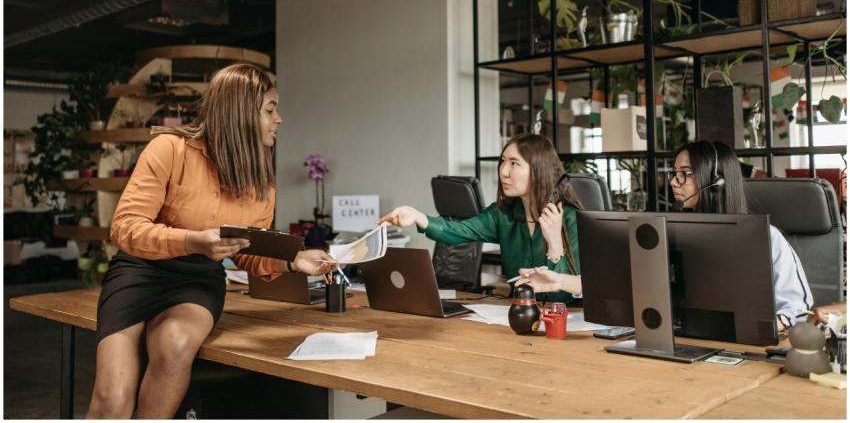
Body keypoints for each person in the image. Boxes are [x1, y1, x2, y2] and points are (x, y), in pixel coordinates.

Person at [86, 64, 338, 418]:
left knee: (174, 346)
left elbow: (249, 255)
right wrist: (191, 240)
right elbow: (125, 228)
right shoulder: (168, 149)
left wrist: (293, 260)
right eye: (269, 110)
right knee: (113, 398)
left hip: (197, 280)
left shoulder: (261, 185)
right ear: (239, 112)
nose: (278, 119)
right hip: (139, 270)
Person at [517, 140, 814, 330]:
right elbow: (627, 284)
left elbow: (798, 310)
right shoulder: (668, 233)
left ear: (717, 181)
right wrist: (559, 281)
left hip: (739, 352)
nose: (673, 182)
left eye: (684, 174)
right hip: (680, 342)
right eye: (674, 173)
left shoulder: (767, 239)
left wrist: (762, 327)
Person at [377, 133, 583, 304]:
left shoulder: (571, 219)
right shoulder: (503, 214)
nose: (503, 172)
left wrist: (555, 245)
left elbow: (563, 296)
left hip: (567, 323)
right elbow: (457, 230)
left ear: (538, 170)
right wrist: (418, 216)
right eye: (503, 162)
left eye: (514, 163)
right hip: (519, 315)